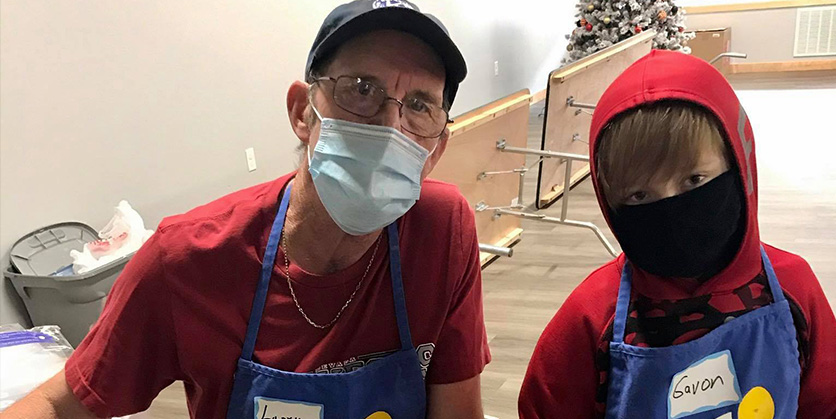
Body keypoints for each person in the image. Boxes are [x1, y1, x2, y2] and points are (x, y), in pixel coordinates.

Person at [6, 1, 490, 418]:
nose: (390, 127)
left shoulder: (441, 230)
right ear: (303, 111)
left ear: (437, 148)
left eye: (420, 106)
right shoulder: (187, 260)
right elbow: (60, 404)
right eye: (362, 88)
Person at [518, 50, 836, 418]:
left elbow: (825, 404)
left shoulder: (792, 286)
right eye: (640, 195)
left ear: (738, 162)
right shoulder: (591, 317)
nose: (671, 210)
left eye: (694, 180)